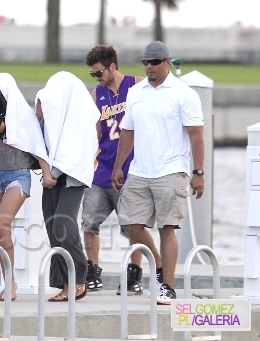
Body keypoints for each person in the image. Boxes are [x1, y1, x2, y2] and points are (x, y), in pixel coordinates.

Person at [111, 41, 205, 305]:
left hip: (172, 170)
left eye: (154, 62)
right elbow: (127, 132)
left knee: (167, 228)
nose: (149, 67)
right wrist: (119, 166)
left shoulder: (183, 93)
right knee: (129, 224)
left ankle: (168, 286)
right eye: (145, 62)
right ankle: (160, 263)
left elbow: (196, 136)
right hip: (139, 170)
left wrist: (198, 172)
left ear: (166, 63)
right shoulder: (136, 92)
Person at [82, 45, 162, 295]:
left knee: (132, 226)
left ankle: (133, 275)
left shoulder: (137, 86)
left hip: (131, 170)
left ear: (112, 67)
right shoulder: (98, 93)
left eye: (99, 73)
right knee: (88, 221)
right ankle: (92, 271)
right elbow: (95, 131)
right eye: (92, 74)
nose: (96, 78)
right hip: (102, 169)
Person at [0, 73, 54, 301]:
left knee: (2, 223)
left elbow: (36, 146)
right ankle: (10, 283)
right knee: (0, 231)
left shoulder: (23, 115)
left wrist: (47, 174)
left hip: (17, 176)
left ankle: (11, 284)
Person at [35, 71, 100, 302]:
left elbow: (72, 152)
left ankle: (80, 276)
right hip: (52, 175)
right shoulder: (51, 114)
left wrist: (51, 173)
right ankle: (64, 282)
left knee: (64, 222)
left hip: (71, 175)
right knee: (53, 227)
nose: (44, 104)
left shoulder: (77, 118)